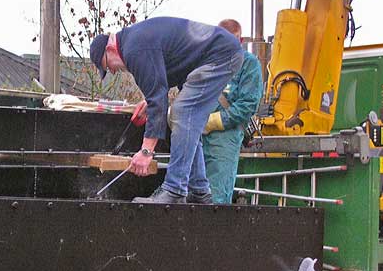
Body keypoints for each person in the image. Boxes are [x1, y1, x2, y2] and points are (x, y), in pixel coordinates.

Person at [89, 17, 243, 204]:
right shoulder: (135, 41)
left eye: (107, 65)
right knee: (188, 121)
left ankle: (175, 190)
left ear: (110, 49)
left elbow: (159, 101)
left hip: (220, 56)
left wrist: (146, 151)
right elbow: (162, 82)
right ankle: (199, 190)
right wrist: (150, 100)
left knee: (183, 113)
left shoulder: (134, 49)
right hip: (217, 55)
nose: (112, 71)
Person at [201, 19, 263, 204]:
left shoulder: (249, 63)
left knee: (216, 198)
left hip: (224, 138)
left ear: (240, 41)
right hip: (198, 135)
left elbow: (248, 104)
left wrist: (214, 121)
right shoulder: (207, 62)